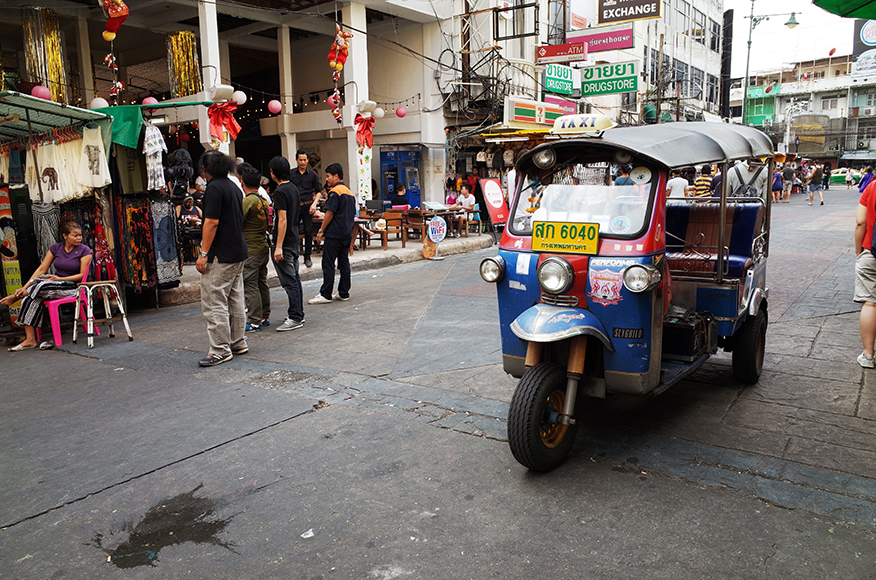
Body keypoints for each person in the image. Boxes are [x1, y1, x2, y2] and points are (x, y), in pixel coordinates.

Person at [3, 221, 92, 351]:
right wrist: (24, 287)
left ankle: (17, 296)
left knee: (42, 286)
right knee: (32, 295)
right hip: (52, 285)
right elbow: (41, 269)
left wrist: (60, 278)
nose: (79, 238)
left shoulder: (85, 251)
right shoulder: (55, 248)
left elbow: (82, 275)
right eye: (75, 235)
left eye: (80, 235)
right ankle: (30, 340)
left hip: (72, 287)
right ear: (65, 236)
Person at [195, 150, 249, 367]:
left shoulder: (215, 188)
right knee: (235, 298)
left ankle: (219, 349)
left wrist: (203, 253)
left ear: (205, 169)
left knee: (214, 299)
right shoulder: (233, 186)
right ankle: (238, 342)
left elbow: (211, 222)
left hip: (221, 253)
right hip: (237, 250)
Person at [310, 163, 356, 304]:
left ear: (336, 176)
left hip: (334, 234)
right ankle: (343, 292)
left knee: (328, 263)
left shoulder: (335, 192)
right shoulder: (349, 193)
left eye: (329, 176)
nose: (327, 179)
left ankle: (326, 294)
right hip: (346, 234)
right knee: (344, 263)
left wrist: (321, 230)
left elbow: (330, 213)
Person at [269, 155, 305, 331]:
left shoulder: (281, 192)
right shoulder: (293, 189)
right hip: (293, 238)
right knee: (294, 279)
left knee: (290, 281)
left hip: (285, 242)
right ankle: (298, 313)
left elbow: (281, 220)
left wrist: (278, 246)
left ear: (273, 173)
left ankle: (295, 316)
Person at [238, 162, 271, 333]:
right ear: (259, 183)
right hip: (263, 247)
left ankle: (254, 320)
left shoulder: (246, 202)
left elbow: (237, 223)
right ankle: (264, 315)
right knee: (261, 283)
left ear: (242, 181)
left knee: (250, 284)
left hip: (250, 249)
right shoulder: (263, 201)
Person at [854, 179, 876, 368]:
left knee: (870, 303)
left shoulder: (873, 186)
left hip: (872, 250)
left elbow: (861, 222)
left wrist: (858, 250)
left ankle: (868, 355)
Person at [289, 150, 321, 268]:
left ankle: (307, 256)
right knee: (293, 230)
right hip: (295, 206)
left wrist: (314, 204)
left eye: (304, 160)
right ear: (297, 160)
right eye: (300, 160)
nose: (302, 162)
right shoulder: (291, 174)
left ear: (308, 160)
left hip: (308, 206)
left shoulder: (313, 175)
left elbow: (319, 192)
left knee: (308, 231)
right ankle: (294, 255)